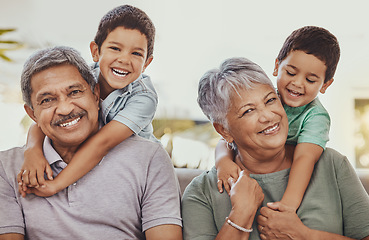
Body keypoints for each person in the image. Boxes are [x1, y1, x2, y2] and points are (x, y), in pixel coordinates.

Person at [0, 46, 182, 240]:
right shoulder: (7, 167)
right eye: (47, 100)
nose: (64, 108)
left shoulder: (149, 158)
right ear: (32, 114)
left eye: (75, 92)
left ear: (96, 95)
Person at [181, 57, 369, 239]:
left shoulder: (333, 166)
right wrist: (240, 215)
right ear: (224, 130)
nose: (268, 116)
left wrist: (305, 236)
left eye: (270, 100)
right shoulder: (201, 194)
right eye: (248, 110)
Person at [17, 5, 160, 196]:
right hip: (99, 157)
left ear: (146, 63)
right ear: (95, 51)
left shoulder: (144, 98)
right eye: (115, 48)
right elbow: (46, 116)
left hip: (136, 163)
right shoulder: (83, 77)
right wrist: (32, 151)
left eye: (136, 53)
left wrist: (56, 185)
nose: (124, 60)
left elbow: (102, 143)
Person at [215, 26, 339, 211]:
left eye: (311, 80)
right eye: (290, 72)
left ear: (325, 85)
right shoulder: (265, 97)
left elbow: (304, 159)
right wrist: (223, 162)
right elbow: (227, 137)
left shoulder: (316, 117)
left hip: (285, 178)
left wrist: (288, 204)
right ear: (276, 67)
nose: (297, 83)